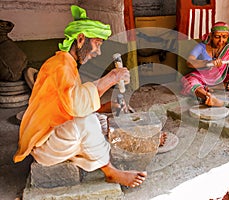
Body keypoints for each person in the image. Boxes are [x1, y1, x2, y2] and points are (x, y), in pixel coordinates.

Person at [13, 5, 147, 188]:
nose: (98, 52)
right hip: (43, 146)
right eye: (97, 44)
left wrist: (107, 106)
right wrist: (112, 77)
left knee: (95, 118)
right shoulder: (59, 67)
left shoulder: (67, 63)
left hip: (54, 135)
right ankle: (111, 172)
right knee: (86, 123)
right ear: (81, 39)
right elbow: (77, 109)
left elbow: (70, 106)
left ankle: (101, 147)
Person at [181, 21, 229, 107]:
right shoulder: (201, 46)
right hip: (201, 77)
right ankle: (207, 96)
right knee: (190, 83)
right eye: (217, 37)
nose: (221, 41)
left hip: (220, 79)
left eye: (224, 37)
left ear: (228, 37)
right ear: (211, 36)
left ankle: (210, 88)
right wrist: (208, 63)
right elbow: (189, 62)